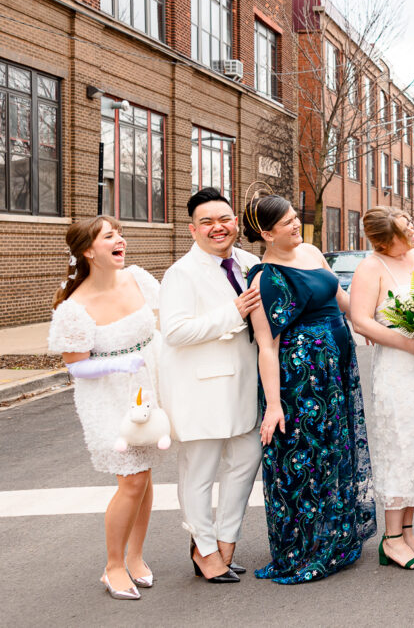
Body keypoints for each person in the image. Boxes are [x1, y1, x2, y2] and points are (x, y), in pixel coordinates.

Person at [242, 193, 376, 584]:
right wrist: (273, 405)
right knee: (307, 456)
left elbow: (342, 300)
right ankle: (305, 547)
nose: (296, 224)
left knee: (334, 450)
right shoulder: (266, 278)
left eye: (295, 217)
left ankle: (336, 539)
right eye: (287, 222)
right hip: (303, 378)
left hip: (336, 368)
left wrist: (373, 323)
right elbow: (267, 346)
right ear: (267, 234)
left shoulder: (313, 252)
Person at [47, 216, 163, 600]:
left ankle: (136, 556)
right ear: (87, 251)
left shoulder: (138, 279)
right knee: (131, 480)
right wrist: (119, 363)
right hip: (107, 398)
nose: (120, 241)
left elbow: (165, 322)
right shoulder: (74, 308)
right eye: (109, 236)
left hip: (148, 389)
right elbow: (76, 366)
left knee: (144, 476)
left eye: (119, 234)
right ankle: (112, 566)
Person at [159, 188, 264, 584]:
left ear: (236, 222)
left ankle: (226, 539)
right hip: (201, 391)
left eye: (224, 219)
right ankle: (203, 549)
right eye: (206, 222)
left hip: (247, 386)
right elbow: (175, 332)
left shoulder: (250, 263)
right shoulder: (181, 273)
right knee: (199, 474)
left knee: (245, 463)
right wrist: (232, 313)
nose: (217, 228)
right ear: (193, 229)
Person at [349, 206, 414, 571]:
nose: (412, 234)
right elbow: (360, 320)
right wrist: (408, 344)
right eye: (403, 232)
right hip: (397, 368)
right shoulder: (370, 268)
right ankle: (391, 539)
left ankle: (408, 533)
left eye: (410, 226)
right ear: (383, 240)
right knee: (399, 446)